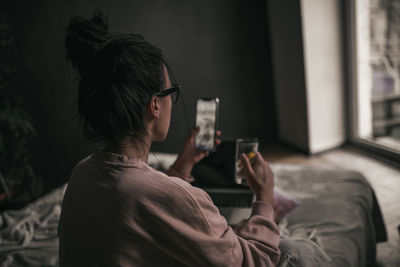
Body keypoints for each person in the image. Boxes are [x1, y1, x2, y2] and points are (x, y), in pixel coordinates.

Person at [58, 11, 280, 267]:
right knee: (300, 251)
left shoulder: (81, 172)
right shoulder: (173, 197)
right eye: (170, 91)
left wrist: (182, 165)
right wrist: (265, 197)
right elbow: (256, 261)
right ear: (155, 105)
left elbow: (145, 213)